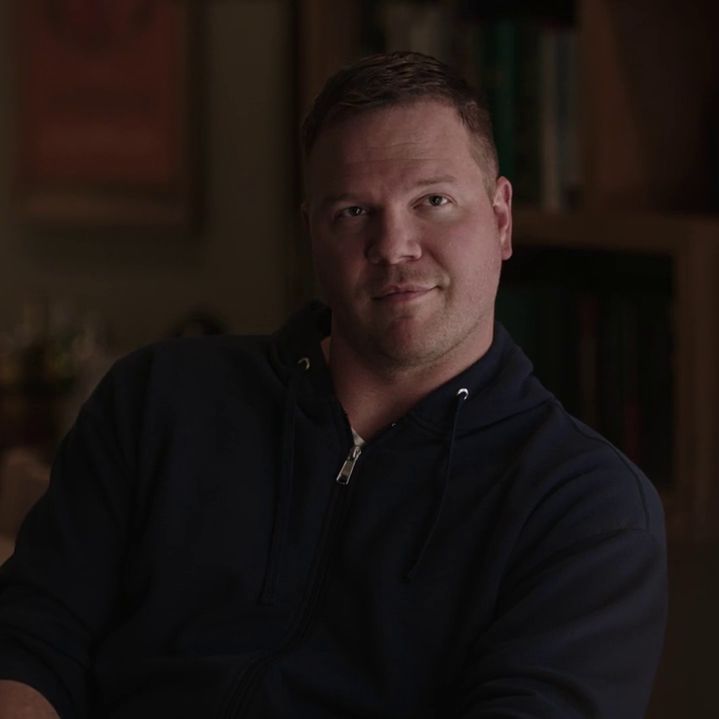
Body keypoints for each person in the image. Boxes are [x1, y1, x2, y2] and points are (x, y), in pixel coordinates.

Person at [0, 51, 666, 718]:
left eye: (432, 201)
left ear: (500, 218)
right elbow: (29, 641)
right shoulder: (158, 399)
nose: (394, 244)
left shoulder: (586, 508)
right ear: (309, 233)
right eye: (352, 212)